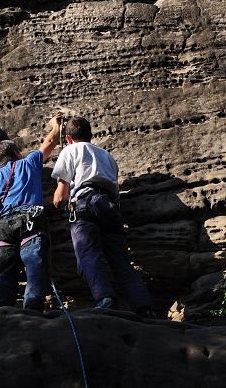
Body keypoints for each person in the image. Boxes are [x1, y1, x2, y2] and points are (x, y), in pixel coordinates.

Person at [51, 116, 156, 318]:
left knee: (88, 255)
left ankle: (105, 299)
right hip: (110, 207)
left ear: (69, 138)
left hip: (84, 204)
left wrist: (55, 204)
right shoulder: (107, 156)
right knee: (120, 261)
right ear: (90, 135)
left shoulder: (70, 150)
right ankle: (143, 307)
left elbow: (61, 194)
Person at [0, 116, 61, 312]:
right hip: (31, 221)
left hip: (5, 224)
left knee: (4, 271)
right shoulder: (29, 162)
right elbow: (51, 141)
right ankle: (32, 309)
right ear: (17, 152)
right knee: (34, 264)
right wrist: (54, 125)